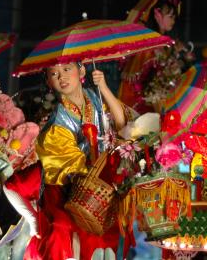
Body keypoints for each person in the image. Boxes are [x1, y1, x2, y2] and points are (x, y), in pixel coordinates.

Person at [26, 62, 130, 260]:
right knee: (76, 235)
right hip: (72, 189)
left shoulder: (95, 97)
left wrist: (105, 88)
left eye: (66, 70)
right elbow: (70, 166)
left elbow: (121, 123)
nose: (61, 77)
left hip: (100, 186)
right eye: (54, 73)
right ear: (48, 81)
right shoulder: (59, 118)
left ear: (82, 71)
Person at [118, 0, 194, 114]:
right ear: (157, 14)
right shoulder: (148, 44)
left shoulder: (166, 44)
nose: (173, 21)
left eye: (174, 17)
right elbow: (140, 80)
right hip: (141, 106)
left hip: (159, 103)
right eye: (170, 16)